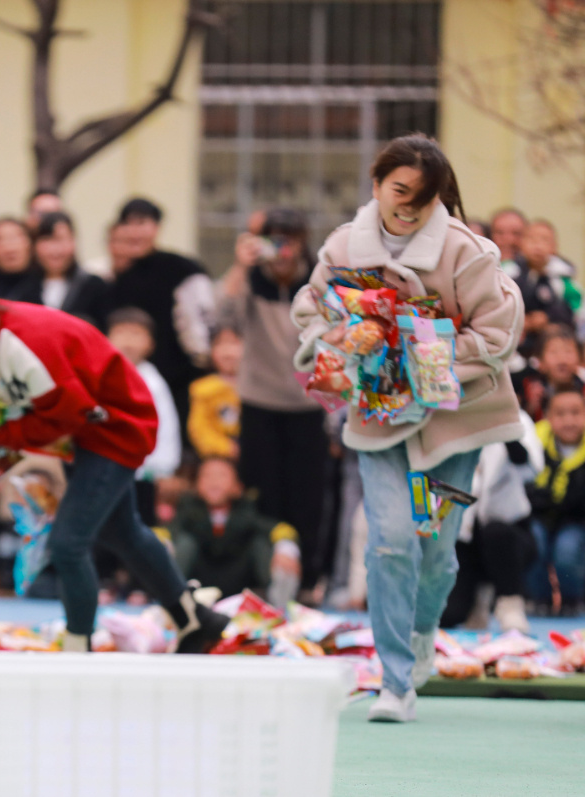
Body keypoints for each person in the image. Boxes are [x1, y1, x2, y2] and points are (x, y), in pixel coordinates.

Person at [292, 134, 524, 722]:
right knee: (390, 540)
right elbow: (312, 307)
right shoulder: (344, 245)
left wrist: (420, 348)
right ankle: (394, 682)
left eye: (424, 196)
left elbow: (498, 333)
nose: (409, 206)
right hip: (380, 422)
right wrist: (339, 338)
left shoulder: (469, 252)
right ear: (376, 184)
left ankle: (424, 633)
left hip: (454, 428)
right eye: (400, 190)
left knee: (437, 549)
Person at [0, 252, 230, 653]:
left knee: (68, 544)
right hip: (84, 432)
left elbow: (67, 415)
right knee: (124, 533)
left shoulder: (25, 342)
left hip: (116, 426)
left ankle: (78, 644)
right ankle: (196, 619)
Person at [218, 208, 327, 595]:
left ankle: (306, 581)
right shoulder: (249, 279)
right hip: (259, 402)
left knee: (308, 499)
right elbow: (222, 317)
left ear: (302, 241)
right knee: (261, 495)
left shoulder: (319, 279)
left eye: (289, 239)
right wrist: (239, 266)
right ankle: (261, 579)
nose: (282, 249)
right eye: (273, 239)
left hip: (309, 405)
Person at [108, 197, 214, 426]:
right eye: (128, 224)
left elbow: (203, 321)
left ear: (156, 226)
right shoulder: (120, 277)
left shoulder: (182, 268)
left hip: (182, 377)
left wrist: (201, 359)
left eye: (141, 223)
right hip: (136, 375)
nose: (135, 231)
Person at [441, 411, 539, 633]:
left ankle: (511, 602)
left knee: (496, 533)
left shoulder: (516, 417)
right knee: (448, 615)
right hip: (462, 540)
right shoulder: (449, 419)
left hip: (511, 534)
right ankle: (478, 596)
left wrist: (503, 428)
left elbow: (530, 468)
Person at [168, 458, 302, 607]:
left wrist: (285, 548)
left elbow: (278, 528)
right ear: (196, 485)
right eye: (207, 475)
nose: (214, 481)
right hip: (197, 584)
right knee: (179, 544)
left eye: (222, 475)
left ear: (238, 486)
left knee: (266, 544)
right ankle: (169, 604)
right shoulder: (188, 511)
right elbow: (167, 531)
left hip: (240, 583)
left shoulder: (247, 511)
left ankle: (280, 607)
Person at [106, 308, 181, 508]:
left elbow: (167, 427)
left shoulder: (154, 383)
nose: (128, 341)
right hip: (104, 465)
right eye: (121, 332)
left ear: (151, 344)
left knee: (139, 515)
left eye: (136, 334)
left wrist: (165, 468)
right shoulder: (100, 373)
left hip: (143, 472)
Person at [526, 389, 585, 616]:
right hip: (539, 516)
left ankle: (572, 599)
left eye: (576, 413)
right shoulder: (535, 442)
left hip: (576, 520)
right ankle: (539, 598)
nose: (569, 421)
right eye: (560, 414)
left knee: (567, 550)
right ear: (548, 417)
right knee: (534, 544)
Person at [30, 212, 109, 329]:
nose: (55, 249)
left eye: (61, 239)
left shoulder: (94, 286)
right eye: (48, 239)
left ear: (73, 241)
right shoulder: (25, 287)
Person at [512, 220, 580, 337]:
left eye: (544, 240)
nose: (538, 246)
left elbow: (574, 309)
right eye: (532, 239)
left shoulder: (564, 279)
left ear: (554, 247)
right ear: (521, 244)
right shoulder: (510, 272)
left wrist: (547, 317)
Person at [188, 327, 243, 460]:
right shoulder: (202, 389)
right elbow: (199, 429)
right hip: (217, 456)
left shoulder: (259, 388)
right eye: (219, 344)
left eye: (234, 343)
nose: (228, 352)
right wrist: (226, 448)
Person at [517, 324, 584, 422]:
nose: (562, 359)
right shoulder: (530, 388)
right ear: (540, 361)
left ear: (580, 358)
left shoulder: (583, 388)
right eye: (553, 352)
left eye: (568, 351)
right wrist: (531, 406)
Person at [0, 217, 40, 303]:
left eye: (15, 238)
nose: (9, 249)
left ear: (29, 243)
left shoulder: (46, 281)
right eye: (0, 240)